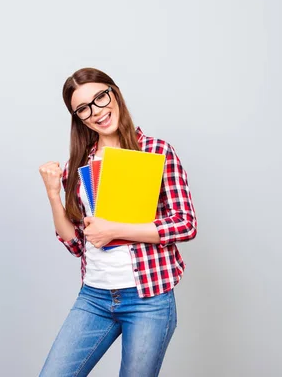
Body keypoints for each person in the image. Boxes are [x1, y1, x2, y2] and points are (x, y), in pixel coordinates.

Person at [38, 67, 197, 376]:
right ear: (78, 117)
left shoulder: (156, 152)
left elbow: (185, 223)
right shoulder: (79, 166)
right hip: (94, 296)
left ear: (114, 93)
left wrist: (114, 229)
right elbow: (75, 244)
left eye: (100, 97)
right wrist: (53, 194)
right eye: (83, 108)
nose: (96, 112)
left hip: (148, 298)